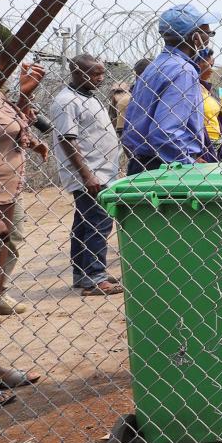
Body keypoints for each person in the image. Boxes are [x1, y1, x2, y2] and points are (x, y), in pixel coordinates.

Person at [0, 19, 45, 403]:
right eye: (5, 59)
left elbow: (14, 128)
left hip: (3, 201)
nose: (9, 66)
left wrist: (23, 96)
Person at [51, 55, 124, 296]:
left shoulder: (88, 97)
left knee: (85, 224)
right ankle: (95, 278)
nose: (100, 78)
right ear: (76, 73)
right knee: (98, 223)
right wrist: (87, 175)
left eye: (102, 73)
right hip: (90, 174)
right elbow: (67, 140)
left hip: (101, 171)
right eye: (94, 74)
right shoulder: (67, 101)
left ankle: (84, 274)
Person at [122, 4, 214, 173]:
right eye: (208, 33)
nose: (209, 38)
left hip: (144, 162)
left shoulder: (156, 66)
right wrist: (187, 162)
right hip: (167, 167)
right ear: (196, 38)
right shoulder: (184, 71)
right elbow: (165, 133)